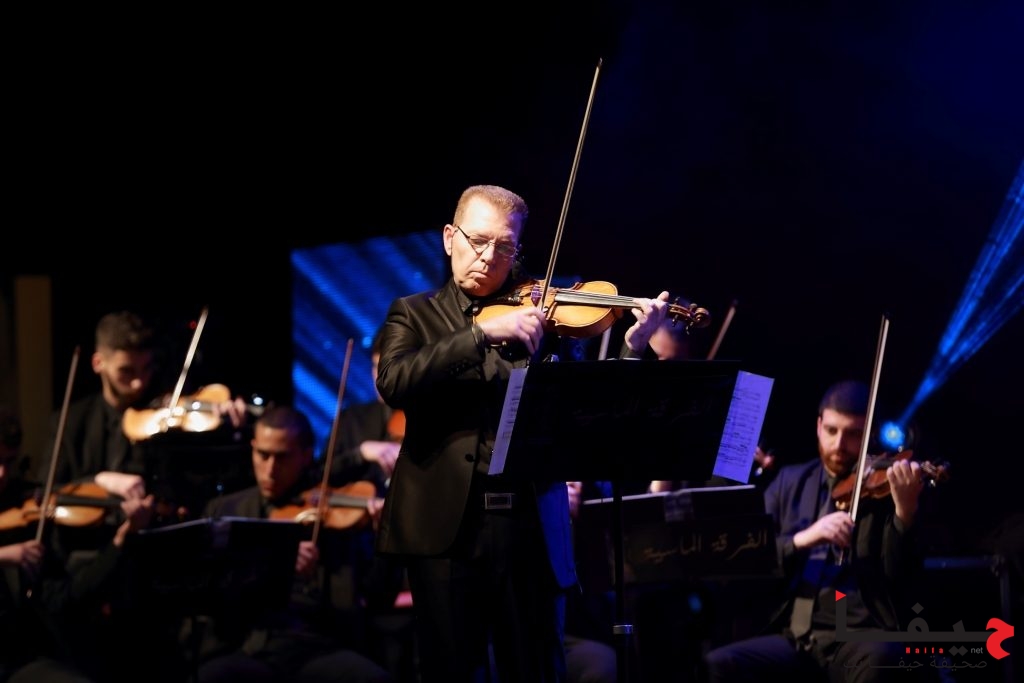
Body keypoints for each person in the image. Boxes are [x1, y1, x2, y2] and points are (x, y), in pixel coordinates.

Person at [372, 183, 670, 682]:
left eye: (506, 247)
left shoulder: (545, 314)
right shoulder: (414, 313)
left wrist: (634, 348)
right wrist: (480, 335)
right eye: (478, 240)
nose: (490, 257)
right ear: (449, 237)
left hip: (530, 526)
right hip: (445, 532)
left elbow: (593, 410)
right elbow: (395, 381)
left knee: (538, 669)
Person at [701, 380, 934, 682]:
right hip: (795, 637)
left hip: (857, 636)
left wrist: (904, 512)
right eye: (832, 430)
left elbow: (901, 576)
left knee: (882, 658)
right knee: (718, 665)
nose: (839, 444)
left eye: (853, 434)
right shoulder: (789, 481)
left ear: (870, 435)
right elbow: (748, 552)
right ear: (818, 426)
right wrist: (802, 539)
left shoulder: (886, 489)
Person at [194, 404, 394, 683]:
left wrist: (385, 538)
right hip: (247, 644)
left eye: (282, 457)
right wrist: (275, 564)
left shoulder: (337, 513)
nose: (270, 470)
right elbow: (205, 591)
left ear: (306, 455)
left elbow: (378, 595)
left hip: (320, 646)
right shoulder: (225, 509)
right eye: (262, 455)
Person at [1, 404, 156, 683]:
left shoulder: (26, 509)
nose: (1, 474)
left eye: (8, 463)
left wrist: (120, 539)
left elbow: (66, 597)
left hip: (16, 659)